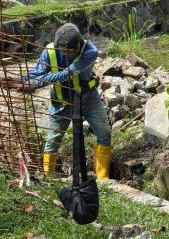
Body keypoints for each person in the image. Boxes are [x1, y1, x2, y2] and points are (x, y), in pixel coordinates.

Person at [20, 23, 112, 179]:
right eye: (63, 51)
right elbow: (36, 73)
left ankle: (103, 179)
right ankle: (48, 178)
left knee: (104, 134)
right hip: (61, 102)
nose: (67, 54)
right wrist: (17, 81)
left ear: (79, 44)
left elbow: (65, 74)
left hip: (88, 99)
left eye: (71, 51)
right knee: (53, 141)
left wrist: (37, 83)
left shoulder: (90, 52)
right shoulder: (50, 51)